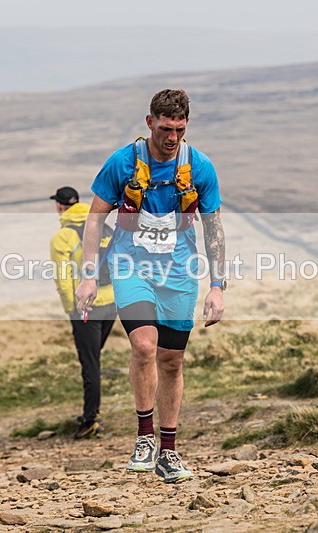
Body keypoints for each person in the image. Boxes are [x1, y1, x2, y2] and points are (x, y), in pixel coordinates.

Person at [75, 89, 225, 483]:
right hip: (130, 268)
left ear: (186, 126)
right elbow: (94, 219)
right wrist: (89, 274)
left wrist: (218, 285)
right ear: (149, 123)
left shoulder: (201, 167)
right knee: (144, 346)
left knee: (172, 361)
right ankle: (144, 436)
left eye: (179, 128)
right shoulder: (122, 163)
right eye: (164, 128)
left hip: (179, 273)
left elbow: (213, 226)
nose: (172, 136)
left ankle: (168, 450)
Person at [49, 186, 117, 440]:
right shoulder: (104, 227)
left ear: (59, 206)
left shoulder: (63, 237)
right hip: (112, 303)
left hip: (86, 308)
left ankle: (91, 419)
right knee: (93, 359)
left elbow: (63, 278)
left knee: (90, 364)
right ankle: (92, 414)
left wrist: (71, 308)